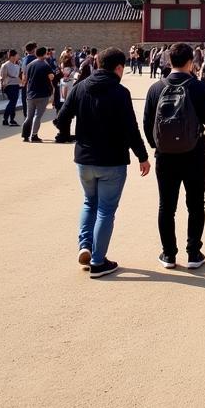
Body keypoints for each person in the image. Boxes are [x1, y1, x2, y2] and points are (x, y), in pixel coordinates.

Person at [56, 47, 150, 278]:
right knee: (106, 211)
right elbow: (130, 129)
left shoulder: (80, 87)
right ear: (118, 68)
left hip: (85, 158)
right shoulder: (120, 92)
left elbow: (61, 119)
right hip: (112, 160)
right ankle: (98, 261)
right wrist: (142, 156)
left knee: (90, 203)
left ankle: (85, 246)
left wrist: (73, 136)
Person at [142, 42, 205, 269]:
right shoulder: (197, 87)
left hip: (165, 156)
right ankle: (193, 253)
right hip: (194, 153)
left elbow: (147, 124)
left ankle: (168, 254)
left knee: (167, 206)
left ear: (169, 61)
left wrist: (157, 145)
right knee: (196, 204)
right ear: (190, 62)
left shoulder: (156, 88)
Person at [22, 46, 55, 142]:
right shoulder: (45, 65)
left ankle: (25, 135)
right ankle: (34, 135)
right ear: (44, 54)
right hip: (42, 94)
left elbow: (25, 78)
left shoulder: (30, 65)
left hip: (30, 93)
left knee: (29, 116)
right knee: (38, 116)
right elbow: (51, 77)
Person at [0, 50, 22, 126]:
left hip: (16, 85)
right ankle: (6, 118)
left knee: (14, 102)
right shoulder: (5, 65)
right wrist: (3, 85)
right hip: (9, 85)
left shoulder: (17, 65)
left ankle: (11, 119)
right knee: (12, 101)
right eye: (17, 55)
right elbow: (3, 76)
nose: (18, 57)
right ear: (12, 56)